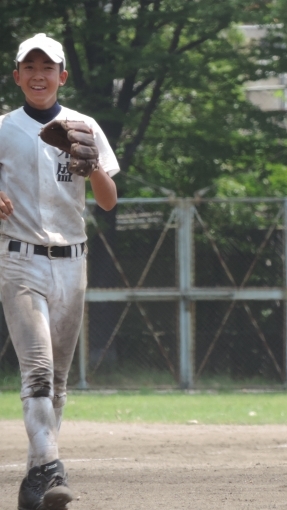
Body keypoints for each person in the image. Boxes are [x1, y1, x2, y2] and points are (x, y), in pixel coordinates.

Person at [0, 33, 118, 510]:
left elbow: (108, 201)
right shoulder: (3, 128)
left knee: (59, 382)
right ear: (17, 76)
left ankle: (36, 482)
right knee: (39, 371)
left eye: (47, 67)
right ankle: (52, 467)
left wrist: (92, 167)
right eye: (29, 67)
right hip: (19, 259)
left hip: (73, 261)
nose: (38, 75)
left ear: (61, 76)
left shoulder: (84, 126)